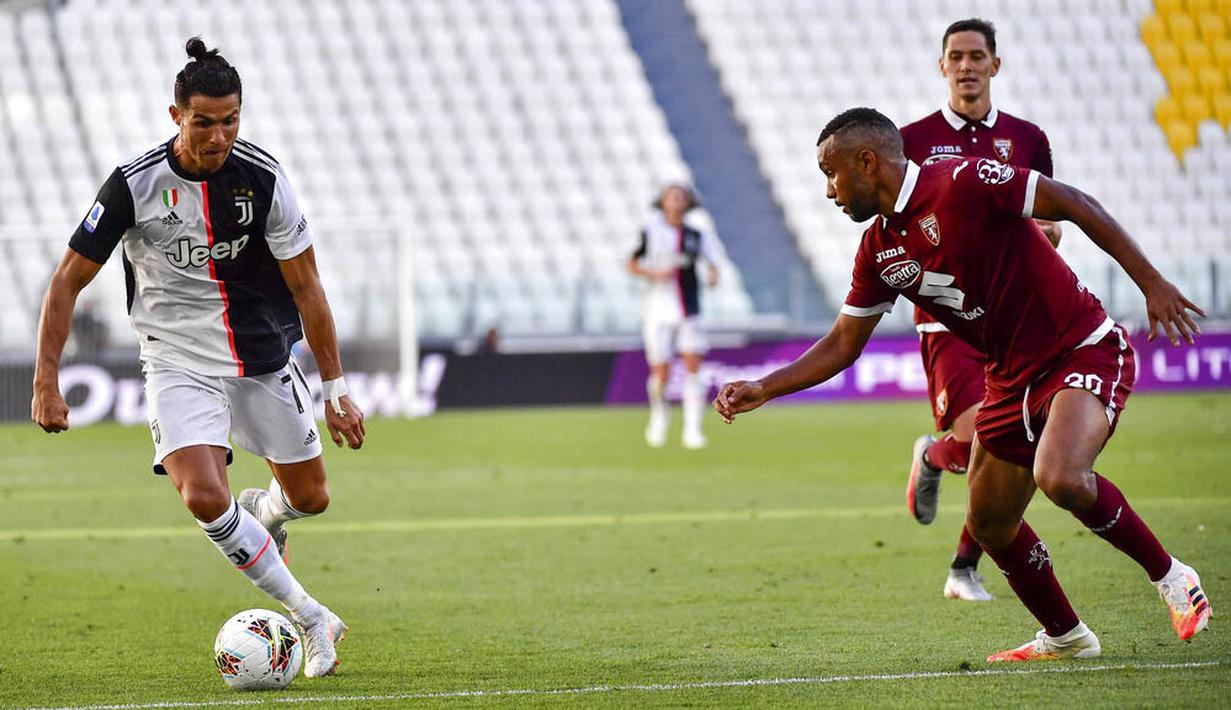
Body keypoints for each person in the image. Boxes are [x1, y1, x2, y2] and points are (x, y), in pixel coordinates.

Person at [715, 107, 1211, 661]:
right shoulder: (878, 249)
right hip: (1008, 379)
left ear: (866, 161)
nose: (830, 191)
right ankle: (1067, 637)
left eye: (831, 174)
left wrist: (1152, 283)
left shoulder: (960, 181)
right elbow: (842, 345)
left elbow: (1076, 203)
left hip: (1081, 348)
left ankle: (1173, 576)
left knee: (1061, 477)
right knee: (990, 522)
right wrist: (766, 386)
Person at [30, 38, 364, 678]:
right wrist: (47, 380)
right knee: (204, 496)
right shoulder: (136, 184)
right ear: (175, 115)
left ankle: (266, 515)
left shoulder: (263, 180)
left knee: (312, 497)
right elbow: (68, 278)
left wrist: (337, 389)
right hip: (175, 356)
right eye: (204, 121)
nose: (219, 136)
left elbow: (307, 287)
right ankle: (312, 616)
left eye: (231, 120)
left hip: (259, 355)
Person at [898, 18, 1062, 602]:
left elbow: (1050, 223)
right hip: (945, 315)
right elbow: (897, 223)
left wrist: (1047, 234)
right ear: (941, 66)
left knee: (1015, 447)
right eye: (955, 56)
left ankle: (963, 567)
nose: (966, 66)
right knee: (975, 442)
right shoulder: (911, 140)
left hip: (1011, 316)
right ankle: (935, 454)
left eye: (976, 56)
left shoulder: (1028, 138)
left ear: (996, 65)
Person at [627, 184, 720, 449]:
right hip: (657, 309)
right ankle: (659, 414)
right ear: (663, 201)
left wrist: (713, 274)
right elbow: (631, 263)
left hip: (689, 309)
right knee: (661, 373)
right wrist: (653, 274)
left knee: (694, 366)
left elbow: (712, 264)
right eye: (672, 195)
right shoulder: (651, 231)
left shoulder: (696, 234)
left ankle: (693, 429)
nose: (677, 199)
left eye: (681, 195)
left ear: (688, 202)